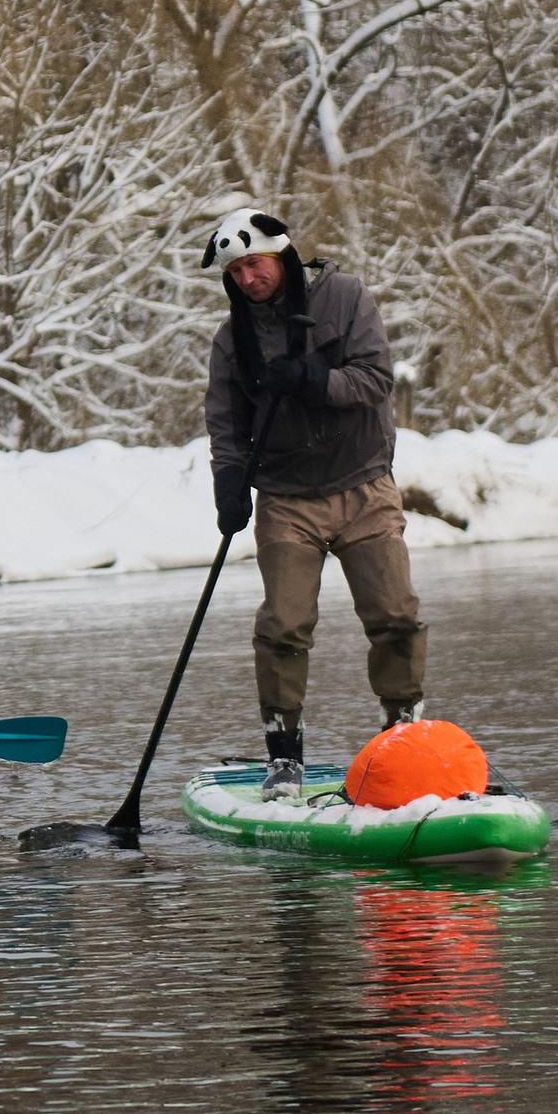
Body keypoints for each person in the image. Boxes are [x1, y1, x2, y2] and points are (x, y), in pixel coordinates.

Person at [203, 208, 427, 794]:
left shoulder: (345, 296)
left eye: (255, 264)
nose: (249, 278)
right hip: (285, 497)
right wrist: (229, 485)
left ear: (281, 254)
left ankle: (402, 732)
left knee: (395, 614)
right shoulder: (231, 340)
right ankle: (283, 754)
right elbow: (225, 427)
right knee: (285, 623)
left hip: (363, 484)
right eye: (235, 272)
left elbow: (377, 380)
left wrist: (312, 380)